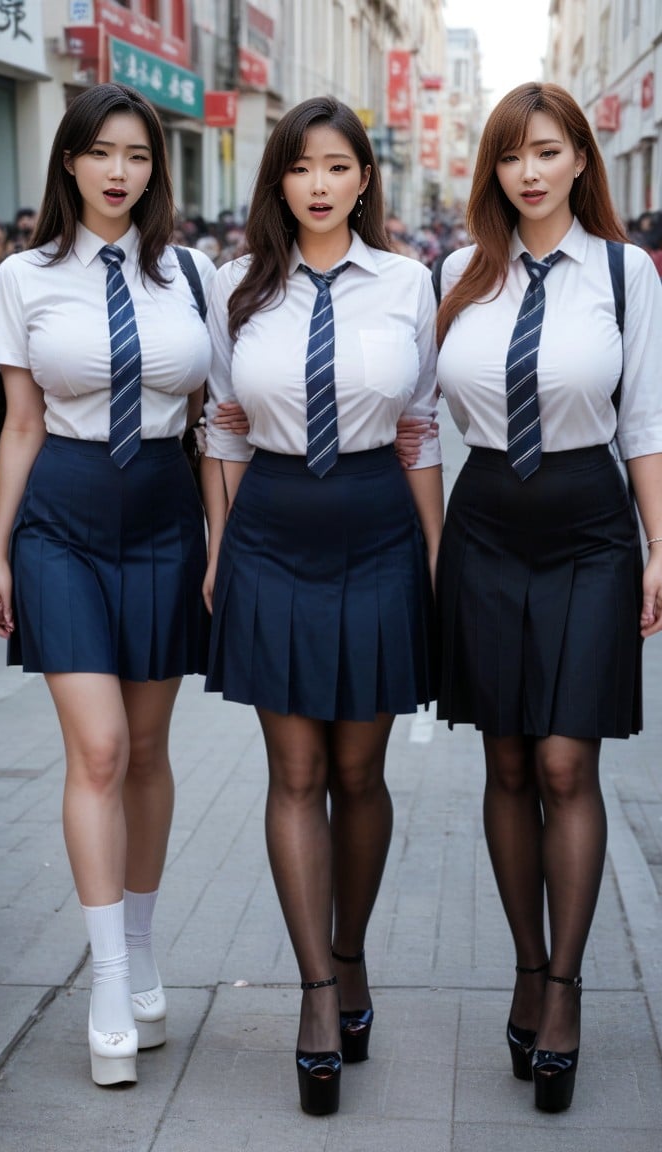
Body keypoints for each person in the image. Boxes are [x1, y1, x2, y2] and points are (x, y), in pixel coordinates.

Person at [434, 83, 662, 1113]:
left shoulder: (627, 276)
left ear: (582, 158)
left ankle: (568, 987)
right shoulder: (457, 273)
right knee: (503, 756)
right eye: (508, 156)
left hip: (587, 521)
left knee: (565, 757)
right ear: (491, 171)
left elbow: (649, 420)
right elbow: (412, 406)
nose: (527, 172)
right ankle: (527, 966)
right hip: (487, 513)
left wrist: (661, 549)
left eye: (546, 151)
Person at [201, 95, 442, 1117]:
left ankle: (350, 956)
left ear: (364, 179)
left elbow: (422, 428)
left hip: (379, 522)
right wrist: (219, 548)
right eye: (301, 167)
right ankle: (313, 996)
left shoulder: (409, 282)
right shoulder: (234, 287)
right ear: (280, 180)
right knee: (294, 770)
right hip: (273, 523)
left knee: (361, 769)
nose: (318, 185)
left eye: (337, 166)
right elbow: (220, 428)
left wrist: (435, 560)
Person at [0, 83, 215, 1086]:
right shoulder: (23, 278)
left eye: (139, 155)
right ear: (68, 162)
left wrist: (221, 538)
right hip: (64, 519)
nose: (121, 171)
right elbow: (21, 423)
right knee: (103, 748)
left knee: (152, 749)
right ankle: (109, 980)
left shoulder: (195, 274)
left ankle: (148, 943)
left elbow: (215, 423)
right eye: (102, 152)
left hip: (166, 510)